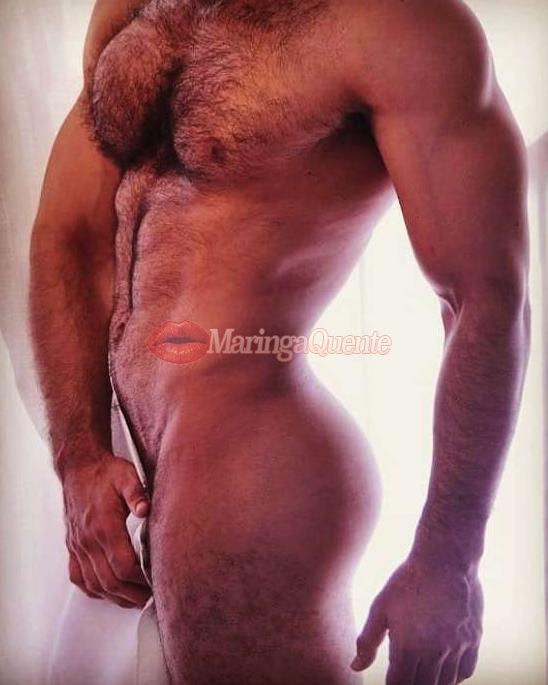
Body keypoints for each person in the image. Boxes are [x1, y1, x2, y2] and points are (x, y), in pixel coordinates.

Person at [29, 0, 530, 683]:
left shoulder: (400, 25)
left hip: (249, 472)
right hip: (125, 461)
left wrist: (451, 556)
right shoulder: (131, 8)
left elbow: (486, 297)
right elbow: (71, 233)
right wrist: (81, 456)